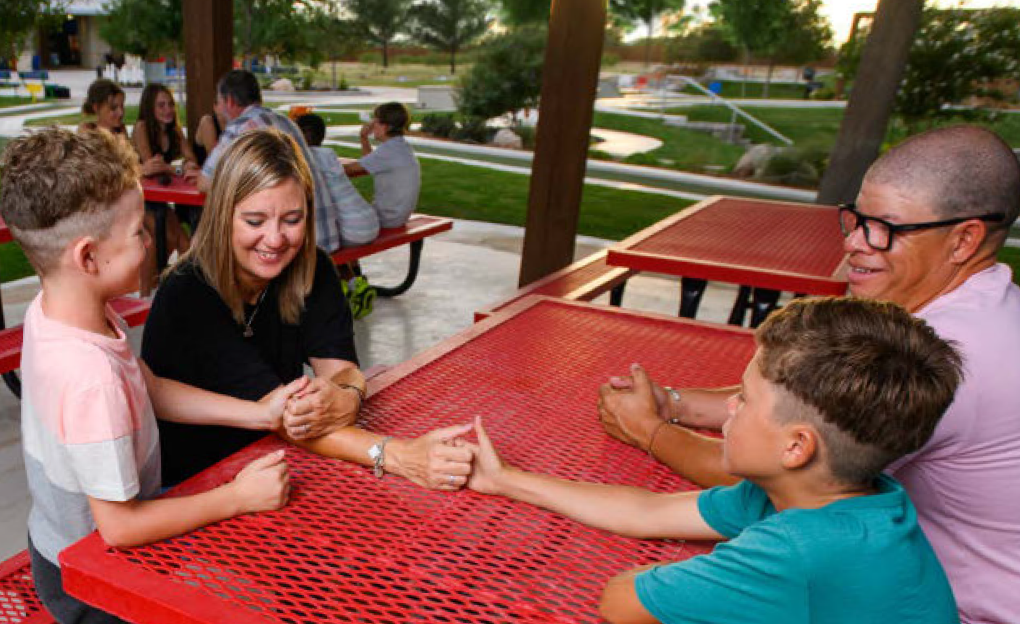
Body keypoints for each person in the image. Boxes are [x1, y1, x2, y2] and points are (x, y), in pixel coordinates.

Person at [598, 125, 1020, 624]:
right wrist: (675, 404)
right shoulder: (973, 310)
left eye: (886, 227)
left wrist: (649, 430)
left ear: (964, 239)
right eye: (857, 219)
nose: (855, 245)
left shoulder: (949, 358)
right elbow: (804, 395)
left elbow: (777, 461)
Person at [466, 297, 962, 624]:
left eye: (743, 399)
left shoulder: (797, 548)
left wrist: (677, 578)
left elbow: (620, 603)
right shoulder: (842, 496)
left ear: (796, 447)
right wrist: (505, 479)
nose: (727, 406)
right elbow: (647, 512)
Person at [0, 127, 308, 624]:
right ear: (87, 257)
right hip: (89, 584)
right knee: (261, 606)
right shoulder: (89, 378)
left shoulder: (65, 309)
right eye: (139, 232)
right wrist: (236, 498)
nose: (151, 241)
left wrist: (259, 413)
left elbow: (152, 388)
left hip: (67, 545)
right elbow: (120, 527)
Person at [143, 128, 474, 490]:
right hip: (197, 483)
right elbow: (285, 418)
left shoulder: (312, 267)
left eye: (292, 219)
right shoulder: (189, 293)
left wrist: (348, 396)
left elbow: (343, 371)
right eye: (255, 221)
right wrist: (399, 456)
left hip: (280, 461)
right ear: (223, 216)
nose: (275, 239)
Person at [198, 69, 343, 253]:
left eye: (218, 102)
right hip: (324, 239)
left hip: (296, 252)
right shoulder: (287, 123)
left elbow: (205, 183)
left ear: (230, 101)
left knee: (211, 248)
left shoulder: (240, 128)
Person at [132, 83, 197, 295]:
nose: (167, 109)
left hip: (159, 200)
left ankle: (182, 291)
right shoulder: (142, 127)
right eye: (161, 105)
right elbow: (151, 167)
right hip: (139, 200)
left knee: (183, 241)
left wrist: (175, 168)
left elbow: (192, 162)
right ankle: (146, 296)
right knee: (158, 243)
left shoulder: (174, 131)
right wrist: (177, 169)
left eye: (170, 104)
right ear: (150, 107)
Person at [295, 113, 379, 247]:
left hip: (355, 232)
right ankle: (352, 267)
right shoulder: (329, 156)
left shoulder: (308, 162)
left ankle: (341, 267)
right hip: (370, 221)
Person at [343, 102, 421, 229]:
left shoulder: (388, 151)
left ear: (387, 127)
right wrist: (364, 138)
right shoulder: (400, 146)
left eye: (376, 122)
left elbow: (348, 170)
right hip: (399, 215)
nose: (372, 125)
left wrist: (321, 164)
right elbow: (370, 161)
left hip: (386, 218)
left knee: (336, 207)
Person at [192, 101, 225, 168]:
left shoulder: (235, 126)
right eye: (224, 102)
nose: (227, 107)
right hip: (204, 174)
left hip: (222, 175)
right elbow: (214, 160)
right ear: (215, 107)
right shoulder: (207, 121)